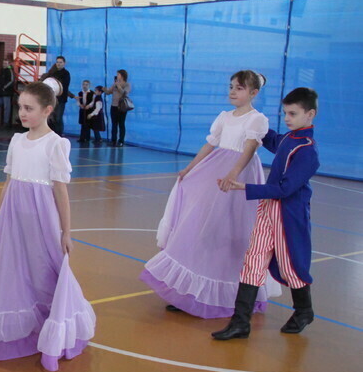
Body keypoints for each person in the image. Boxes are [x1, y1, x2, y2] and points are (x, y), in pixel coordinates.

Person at [0, 81, 96, 369]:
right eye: (20, 107)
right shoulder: (17, 141)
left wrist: (66, 232)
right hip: (12, 217)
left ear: (47, 110)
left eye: (29, 108)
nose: (22, 113)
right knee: (7, 273)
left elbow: (60, 191)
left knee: (43, 273)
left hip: (40, 219)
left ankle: (54, 326)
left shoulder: (56, 144)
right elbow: (9, 181)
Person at [140, 71, 273, 319]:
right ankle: (188, 292)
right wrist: (190, 169)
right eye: (232, 86)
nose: (233, 91)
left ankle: (230, 295)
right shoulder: (224, 116)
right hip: (215, 172)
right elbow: (210, 144)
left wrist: (233, 175)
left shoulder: (257, 120)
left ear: (254, 93)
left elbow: (248, 150)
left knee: (228, 231)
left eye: (240, 88)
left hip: (239, 177)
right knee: (199, 227)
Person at [213, 88, 320, 340]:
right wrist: (249, 114)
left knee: (291, 266)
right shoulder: (288, 140)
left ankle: (304, 310)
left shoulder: (307, 150)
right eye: (285, 113)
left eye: (293, 113)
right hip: (267, 210)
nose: (287, 118)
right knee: (252, 261)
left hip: (288, 216)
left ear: (310, 114)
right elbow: (267, 136)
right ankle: (240, 323)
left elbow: (285, 188)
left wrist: (244, 186)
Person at [40, 56, 75, 136]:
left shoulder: (66, 74)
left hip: (61, 100)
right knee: (51, 118)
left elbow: (64, 87)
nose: (58, 64)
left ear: (64, 63)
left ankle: (59, 135)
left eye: (60, 62)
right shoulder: (52, 73)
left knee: (58, 118)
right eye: (57, 62)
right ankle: (51, 134)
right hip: (51, 99)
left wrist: (71, 95)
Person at [104, 69, 131, 146]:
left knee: (121, 124)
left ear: (122, 76)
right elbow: (109, 92)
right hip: (114, 106)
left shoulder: (127, 84)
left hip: (121, 107)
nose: (117, 76)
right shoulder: (115, 83)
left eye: (118, 74)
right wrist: (105, 90)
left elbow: (124, 93)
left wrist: (119, 86)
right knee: (114, 124)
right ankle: (113, 140)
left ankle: (121, 140)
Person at [0, 58, 14, 127]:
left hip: (6, 93)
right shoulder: (2, 71)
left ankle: (6, 122)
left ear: (8, 64)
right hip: (0, 93)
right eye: (3, 63)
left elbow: (11, 81)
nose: (4, 65)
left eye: (5, 63)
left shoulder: (10, 71)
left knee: (6, 108)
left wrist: (4, 87)